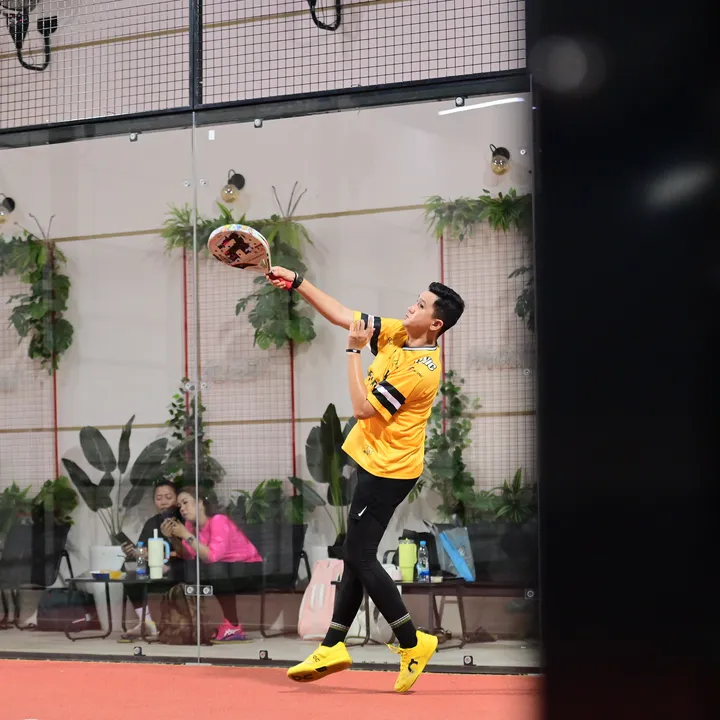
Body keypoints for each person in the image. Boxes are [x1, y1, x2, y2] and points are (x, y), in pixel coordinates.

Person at [266, 265, 465, 693]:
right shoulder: (397, 333)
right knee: (356, 554)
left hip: (389, 470)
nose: (411, 306)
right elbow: (343, 314)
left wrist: (353, 353)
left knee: (359, 556)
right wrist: (297, 282)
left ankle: (412, 642)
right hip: (377, 463)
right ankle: (333, 646)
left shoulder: (421, 369)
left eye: (421, 305)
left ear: (436, 324)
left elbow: (362, 409)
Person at [163, 489, 263, 644]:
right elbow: (187, 555)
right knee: (183, 568)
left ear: (200, 503)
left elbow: (212, 556)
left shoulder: (218, 521)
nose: (182, 508)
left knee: (214, 568)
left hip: (249, 569)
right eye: (180, 505)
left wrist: (186, 535)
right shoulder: (190, 525)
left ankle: (233, 626)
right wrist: (173, 538)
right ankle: (190, 624)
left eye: (185, 503)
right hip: (224, 570)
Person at [119, 480, 184, 641]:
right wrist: (133, 552)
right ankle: (147, 622)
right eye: (159, 498)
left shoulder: (184, 519)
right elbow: (142, 549)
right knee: (129, 573)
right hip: (155, 566)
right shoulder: (152, 522)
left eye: (168, 497)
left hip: (178, 566)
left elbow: (188, 551)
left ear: (177, 499)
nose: (163, 502)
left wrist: (161, 554)